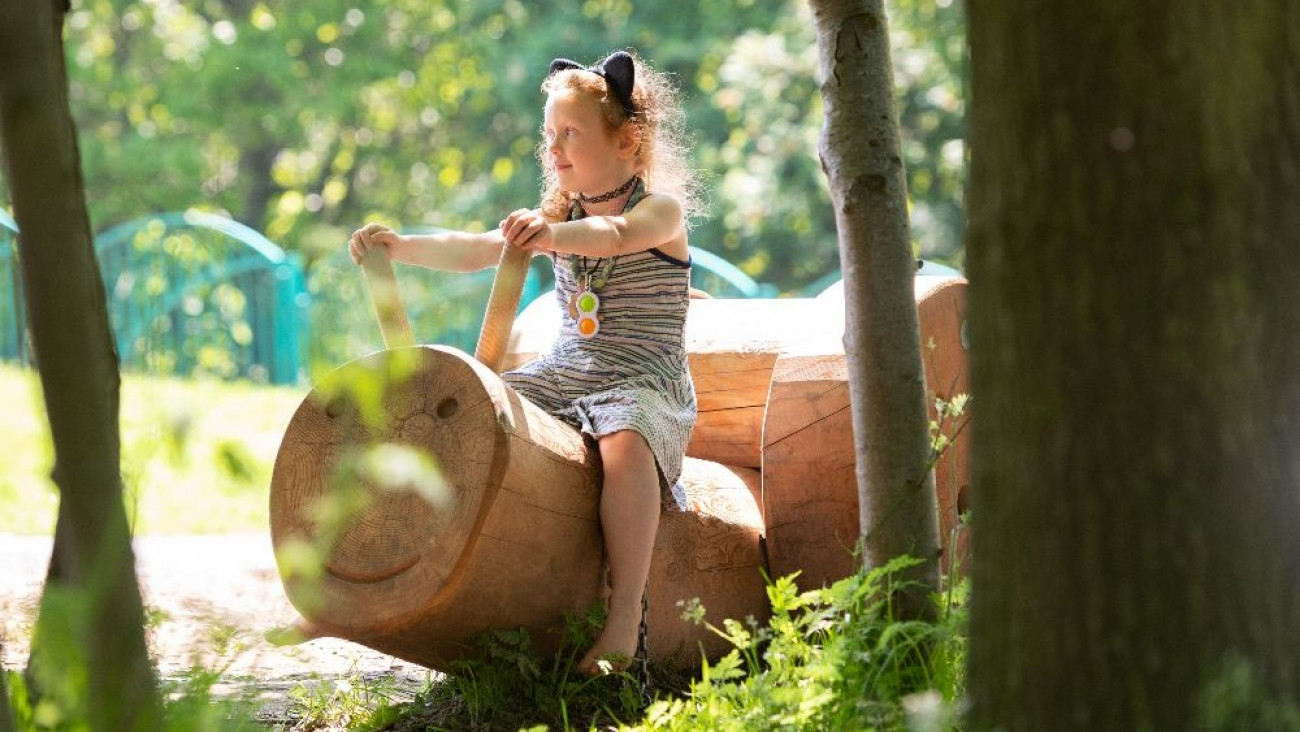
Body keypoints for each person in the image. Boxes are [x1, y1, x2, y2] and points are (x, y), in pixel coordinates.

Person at [347, 50, 699, 675]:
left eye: (571, 134)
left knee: (624, 439)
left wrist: (551, 235)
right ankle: (371, 572)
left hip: (643, 376)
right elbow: (478, 250)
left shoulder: (660, 211)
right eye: (549, 136)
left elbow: (615, 237)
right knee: (465, 409)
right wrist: (400, 246)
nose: (556, 149)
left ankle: (622, 625)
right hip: (567, 370)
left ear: (627, 140)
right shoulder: (558, 211)